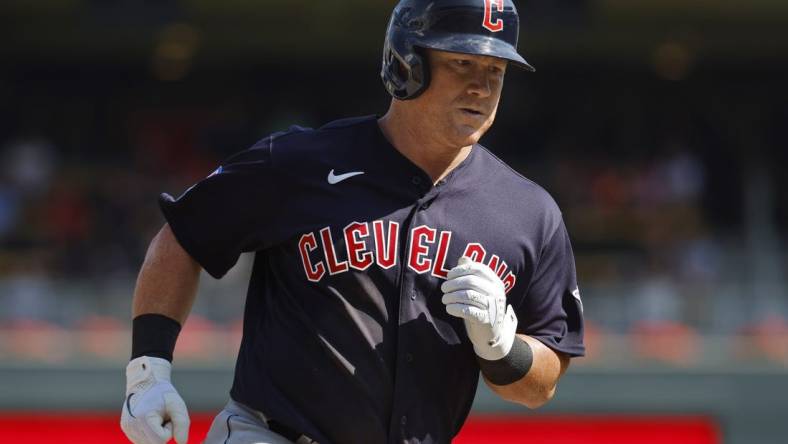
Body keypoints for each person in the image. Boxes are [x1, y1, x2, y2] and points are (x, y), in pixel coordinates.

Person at [119, 0, 585, 443]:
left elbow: (541, 384)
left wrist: (504, 348)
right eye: (462, 63)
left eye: (495, 71)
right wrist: (148, 371)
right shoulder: (299, 162)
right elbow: (185, 237)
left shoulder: (531, 214)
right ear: (406, 64)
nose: (481, 87)